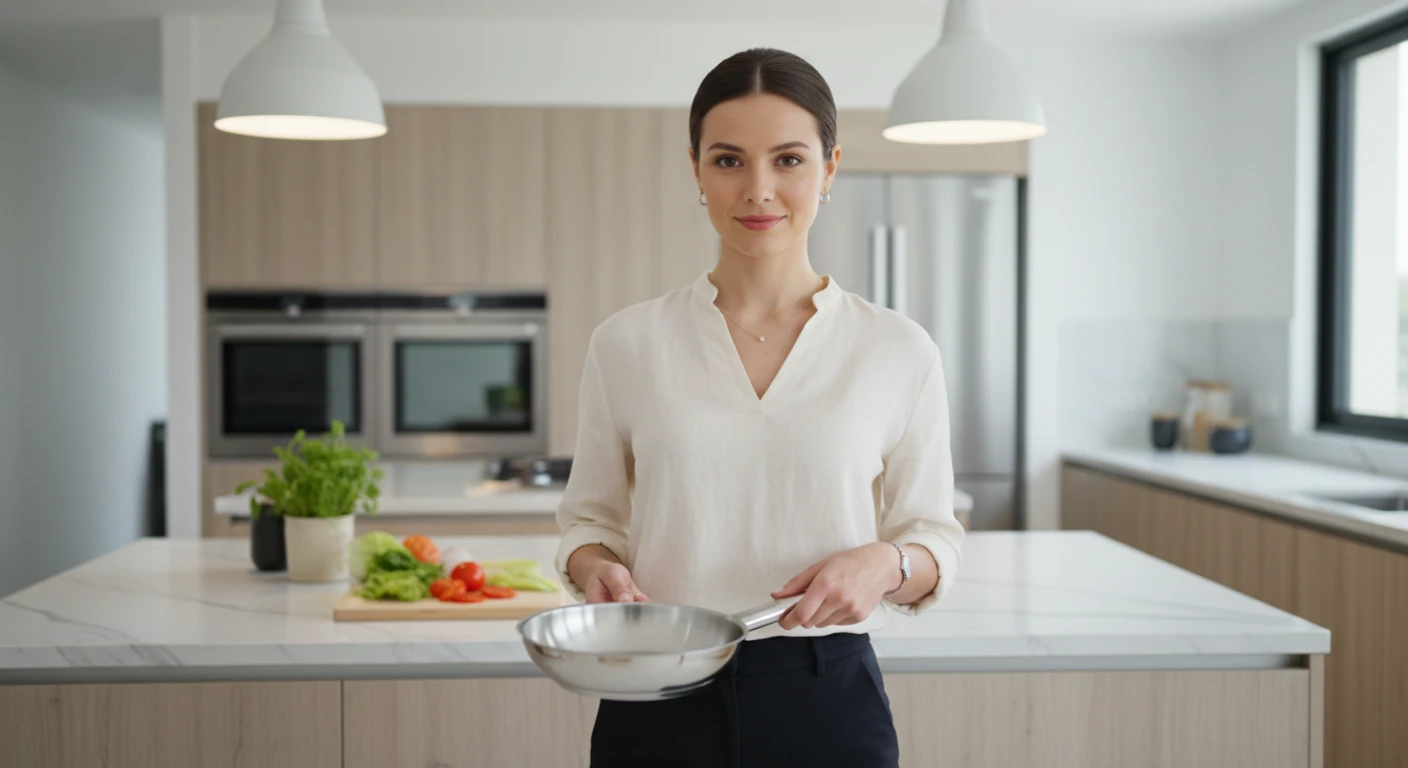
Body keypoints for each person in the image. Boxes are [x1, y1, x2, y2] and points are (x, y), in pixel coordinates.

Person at [554, 47, 965, 768]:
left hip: (827, 695)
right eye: (729, 160)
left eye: (788, 160)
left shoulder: (899, 349)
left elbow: (934, 539)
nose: (759, 190)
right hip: (659, 690)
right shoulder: (627, 343)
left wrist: (886, 563)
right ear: (696, 170)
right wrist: (595, 569)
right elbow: (589, 522)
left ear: (830, 168)